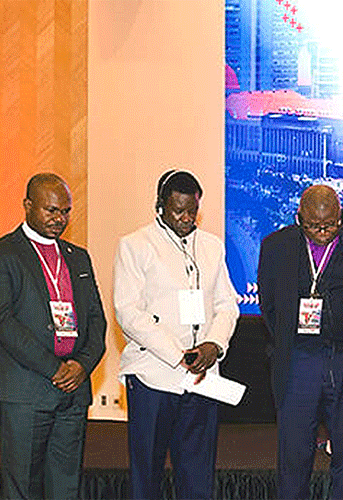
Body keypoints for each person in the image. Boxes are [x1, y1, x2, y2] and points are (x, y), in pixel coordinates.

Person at [113, 170, 239, 499]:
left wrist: (214, 344)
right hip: (154, 375)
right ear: (160, 206)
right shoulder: (135, 245)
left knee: (198, 476)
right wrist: (177, 355)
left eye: (191, 211)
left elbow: (228, 304)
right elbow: (128, 312)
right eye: (177, 211)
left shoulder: (212, 246)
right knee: (147, 475)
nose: (186, 218)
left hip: (202, 378)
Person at [0, 173, 107, 499]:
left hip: (73, 391)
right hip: (25, 390)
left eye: (65, 211)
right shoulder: (0, 253)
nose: (59, 219)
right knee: (22, 489)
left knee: (66, 488)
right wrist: (54, 368)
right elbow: (0, 319)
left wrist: (81, 366)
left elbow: (97, 321)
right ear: (27, 206)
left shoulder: (77, 256)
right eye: (50, 210)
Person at [257, 184, 343, 500]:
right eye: (313, 225)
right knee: (294, 456)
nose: (323, 232)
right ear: (299, 219)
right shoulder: (276, 246)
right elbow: (268, 304)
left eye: (331, 224)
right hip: (299, 359)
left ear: (342, 216)